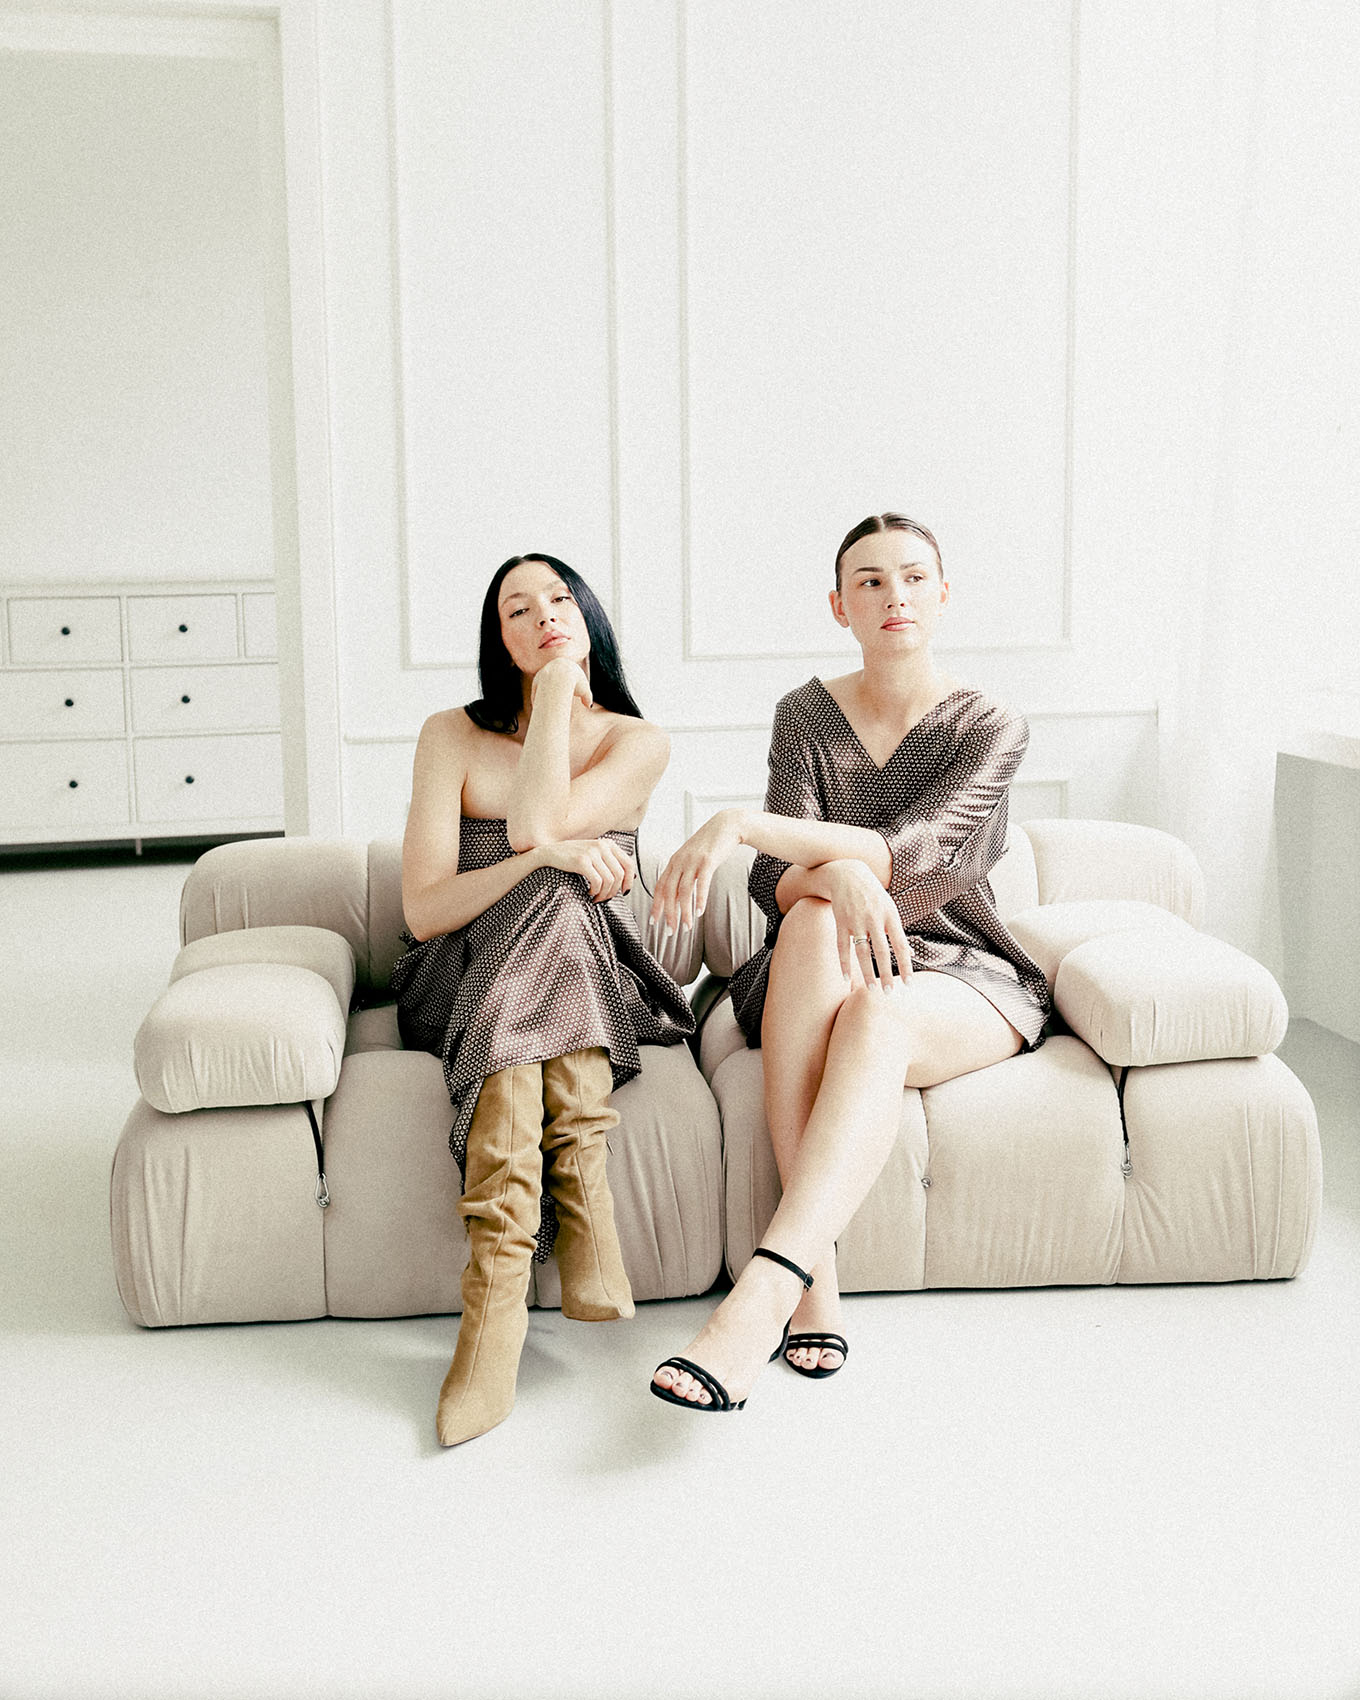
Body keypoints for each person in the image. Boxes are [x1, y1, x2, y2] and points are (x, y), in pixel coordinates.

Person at [647, 512, 1051, 1411]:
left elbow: (918, 859)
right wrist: (836, 877)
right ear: (840, 606)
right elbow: (771, 887)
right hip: (820, 955)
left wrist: (746, 824)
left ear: (943, 595)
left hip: (960, 968)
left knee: (876, 1008)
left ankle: (763, 1295)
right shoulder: (806, 715)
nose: (893, 595)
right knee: (810, 919)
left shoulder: (992, 726)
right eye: (869, 581)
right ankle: (814, 1278)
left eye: (912, 577)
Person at [394, 554, 693, 1447]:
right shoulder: (449, 733)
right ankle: (585, 1215)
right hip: (456, 979)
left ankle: (493, 1307)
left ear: (588, 616)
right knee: (552, 887)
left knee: (558, 902)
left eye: (560, 600)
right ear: (499, 640)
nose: (543, 618)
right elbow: (426, 908)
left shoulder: (639, 742)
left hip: (588, 979)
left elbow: (536, 824)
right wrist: (546, 858)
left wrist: (560, 696)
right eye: (517, 611)